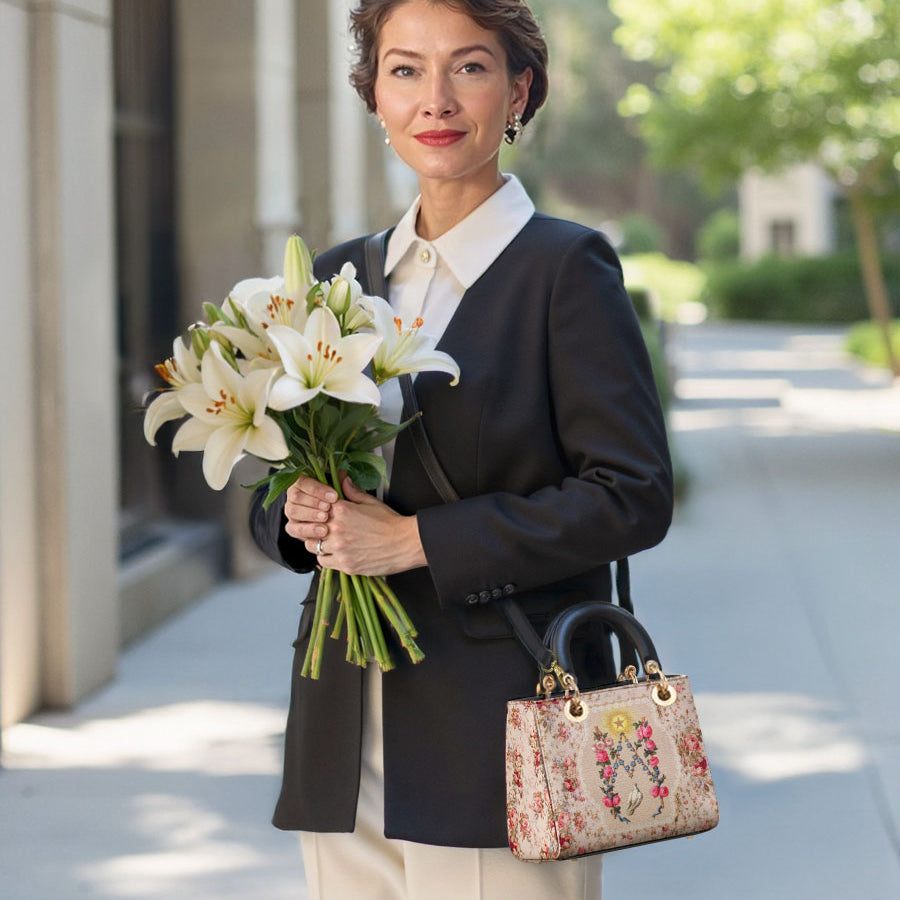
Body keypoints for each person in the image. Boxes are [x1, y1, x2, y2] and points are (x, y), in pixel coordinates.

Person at [249, 1, 673, 897]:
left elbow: (632, 494)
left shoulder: (566, 269)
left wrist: (416, 543)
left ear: (519, 90)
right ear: (374, 97)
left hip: (501, 729)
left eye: (469, 67)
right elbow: (277, 477)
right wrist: (298, 516)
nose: (435, 98)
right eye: (405, 69)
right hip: (341, 725)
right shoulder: (336, 276)